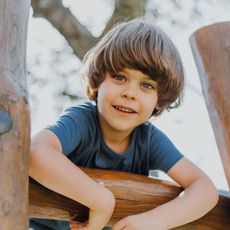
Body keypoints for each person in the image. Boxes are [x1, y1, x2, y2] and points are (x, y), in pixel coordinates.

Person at [29, 18, 219, 230]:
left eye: (146, 85)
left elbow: (205, 188)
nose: (129, 93)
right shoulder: (82, 120)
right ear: (97, 81)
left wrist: (155, 220)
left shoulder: (149, 140)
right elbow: (35, 151)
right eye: (119, 77)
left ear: (159, 100)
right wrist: (100, 200)